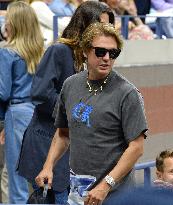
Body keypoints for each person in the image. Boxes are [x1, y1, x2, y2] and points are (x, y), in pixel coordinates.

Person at [35, 22, 148, 205]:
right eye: (100, 51)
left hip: (115, 195)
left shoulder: (127, 93)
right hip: (78, 193)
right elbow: (63, 133)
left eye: (113, 53)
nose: (106, 58)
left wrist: (106, 185)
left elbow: (136, 147)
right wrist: (48, 166)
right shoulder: (70, 85)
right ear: (85, 51)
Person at [17, 1, 115, 204]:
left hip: (73, 152)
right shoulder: (60, 51)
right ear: (86, 24)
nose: (106, 32)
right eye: (102, 26)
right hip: (46, 145)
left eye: (109, 27)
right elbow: (40, 94)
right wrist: (76, 111)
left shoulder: (95, 58)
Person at [0, 1, 44, 203]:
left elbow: (2, 92)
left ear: (14, 24)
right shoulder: (41, 51)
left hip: (17, 114)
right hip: (39, 114)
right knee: (40, 176)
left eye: (7, 19)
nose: (5, 23)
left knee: (17, 179)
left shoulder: (7, 52)